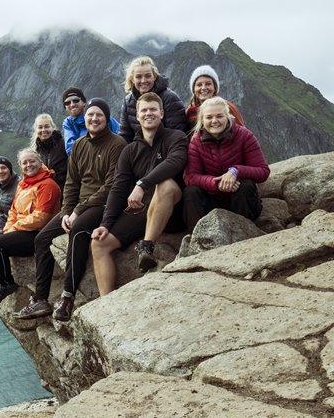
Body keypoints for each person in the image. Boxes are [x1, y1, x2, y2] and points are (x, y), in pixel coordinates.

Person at [15, 98, 126, 322]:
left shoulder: (117, 144)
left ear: (106, 118)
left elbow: (111, 185)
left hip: (102, 204)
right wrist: (66, 211)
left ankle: (67, 296)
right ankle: (40, 299)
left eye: (99, 115)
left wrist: (76, 212)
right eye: (91, 115)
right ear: (85, 119)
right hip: (77, 205)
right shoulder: (79, 146)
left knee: (78, 230)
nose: (94, 119)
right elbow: (72, 183)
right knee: (42, 238)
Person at [90, 92, 188, 296]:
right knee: (99, 244)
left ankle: (146, 247)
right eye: (143, 110)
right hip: (143, 210)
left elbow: (175, 162)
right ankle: (106, 303)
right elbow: (118, 187)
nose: (148, 113)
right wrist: (105, 224)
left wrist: (142, 184)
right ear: (137, 116)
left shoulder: (176, 137)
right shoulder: (130, 150)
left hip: (173, 211)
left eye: (153, 109)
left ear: (162, 113)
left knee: (166, 184)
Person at [0, 149, 61, 337]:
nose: (28, 165)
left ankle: (7, 283)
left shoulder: (48, 184)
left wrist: (15, 227)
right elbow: (13, 212)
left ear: (40, 162)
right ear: (21, 166)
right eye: (24, 163)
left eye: (32, 161)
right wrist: (9, 229)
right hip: (21, 230)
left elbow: (41, 218)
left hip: (37, 233)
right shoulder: (23, 185)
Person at [183, 97, 270, 232]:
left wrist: (235, 171)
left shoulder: (244, 135)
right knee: (191, 192)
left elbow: (263, 171)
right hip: (213, 201)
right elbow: (190, 176)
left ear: (228, 116)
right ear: (202, 120)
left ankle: (243, 232)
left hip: (241, 199)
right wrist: (216, 183)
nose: (214, 121)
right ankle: (196, 236)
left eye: (219, 116)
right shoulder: (196, 141)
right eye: (209, 117)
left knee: (246, 185)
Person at [119, 56, 187, 143]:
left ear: (154, 76)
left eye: (148, 76)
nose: (143, 81)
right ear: (132, 79)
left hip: (165, 151)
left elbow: (178, 135)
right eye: (138, 77)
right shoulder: (128, 101)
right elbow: (125, 135)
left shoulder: (169, 98)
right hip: (140, 151)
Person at [62, 87, 120, 154]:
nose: (72, 104)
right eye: (67, 103)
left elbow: (120, 134)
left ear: (84, 102)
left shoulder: (101, 116)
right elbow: (70, 149)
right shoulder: (68, 123)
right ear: (65, 107)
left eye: (75, 100)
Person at [186, 65, 244, 130]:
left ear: (215, 88)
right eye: (199, 85)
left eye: (208, 84)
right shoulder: (189, 112)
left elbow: (241, 134)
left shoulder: (228, 108)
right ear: (194, 89)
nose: (203, 88)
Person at [31, 113, 68, 191]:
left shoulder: (64, 145)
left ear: (52, 127)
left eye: (47, 126)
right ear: (36, 130)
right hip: (44, 193)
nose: (43, 130)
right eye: (40, 127)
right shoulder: (35, 151)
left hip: (63, 192)